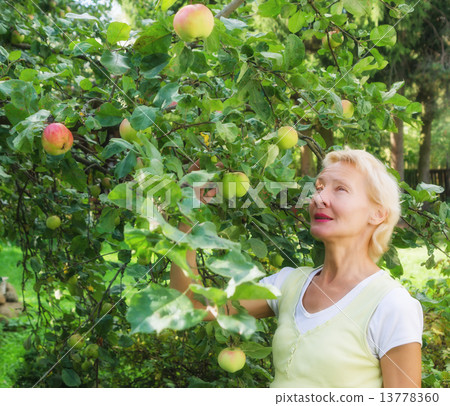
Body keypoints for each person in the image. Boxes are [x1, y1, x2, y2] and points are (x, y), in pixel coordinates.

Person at [170, 147, 423, 388]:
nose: (319, 198)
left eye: (341, 189)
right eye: (319, 188)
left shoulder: (391, 304)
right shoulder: (288, 284)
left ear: (377, 213)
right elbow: (191, 307)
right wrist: (188, 210)